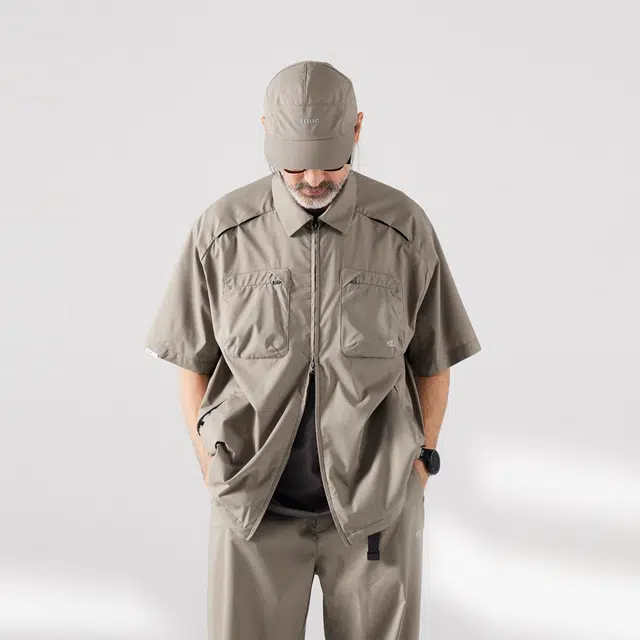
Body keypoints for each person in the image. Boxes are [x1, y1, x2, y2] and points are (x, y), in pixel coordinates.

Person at [144, 60, 481, 640]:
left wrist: (420, 463)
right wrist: (211, 466)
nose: (314, 178)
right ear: (266, 135)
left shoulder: (403, 228)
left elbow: (435, 358)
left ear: (357, 130)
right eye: (296, 163)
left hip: (377, 509)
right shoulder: (221, 232)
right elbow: (192, 363)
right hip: (253, 510)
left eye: (330, 160)